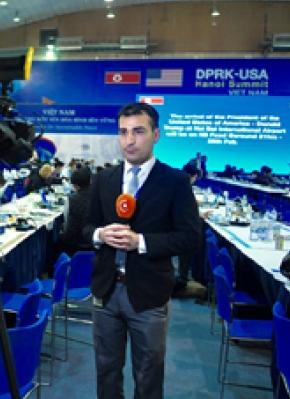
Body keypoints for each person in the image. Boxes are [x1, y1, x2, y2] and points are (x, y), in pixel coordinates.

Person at [82, 102, 203, 399]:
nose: (129, 140)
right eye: (123, 132)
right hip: (106, 291)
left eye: (138, 131)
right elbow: (85, 229)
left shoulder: (175, 182)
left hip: (149, 293)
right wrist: (100, 234)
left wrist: (142, 243)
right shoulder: (104, 179)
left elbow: (190, 238)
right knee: (106, 370)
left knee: (148, 374)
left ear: (156, 134)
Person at [60, 166, 92, 256]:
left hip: (75, 242)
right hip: (95, 241)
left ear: (75, 186)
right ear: (90, 181)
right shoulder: (99, 196)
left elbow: (67, 223)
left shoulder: (71, 199)